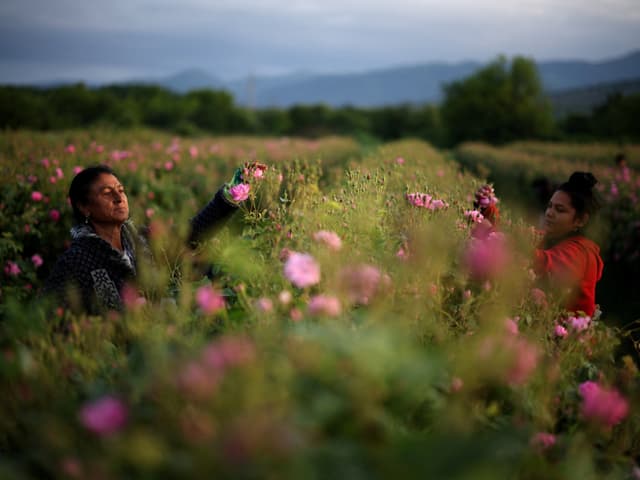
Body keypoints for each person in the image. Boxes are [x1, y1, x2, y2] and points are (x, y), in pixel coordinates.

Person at [43, 163, 264, 314]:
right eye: (106, 193)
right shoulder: (75, 261)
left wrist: (234, 191)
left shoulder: (141, 241)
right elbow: (49, 317)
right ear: (84, 207)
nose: (119, 198)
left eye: (121, 190)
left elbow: (190, 233)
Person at [533, 172, 603, 316]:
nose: (549, 213)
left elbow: (542, 262)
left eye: (560, 210)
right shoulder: (554, 236)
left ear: (581, 220)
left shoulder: (581, 252)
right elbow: (522, 236)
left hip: (568, 335)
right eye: (549, 206)